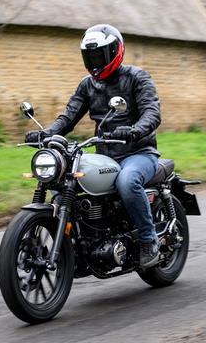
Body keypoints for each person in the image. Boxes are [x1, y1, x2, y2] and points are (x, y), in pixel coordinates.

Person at [25, 24, 161, 268]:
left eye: (99, 55)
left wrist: (134, 130)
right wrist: (46, 133)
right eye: (90, 56)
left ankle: (148, 240)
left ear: (115, 52)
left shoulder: (137, 77)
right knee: (62, 183)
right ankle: (74, 246)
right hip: (105, 156)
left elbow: (152, 113)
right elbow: (68, 117)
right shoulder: (87, 85)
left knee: (127, 182)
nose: (94, 62)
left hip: (138, 153)